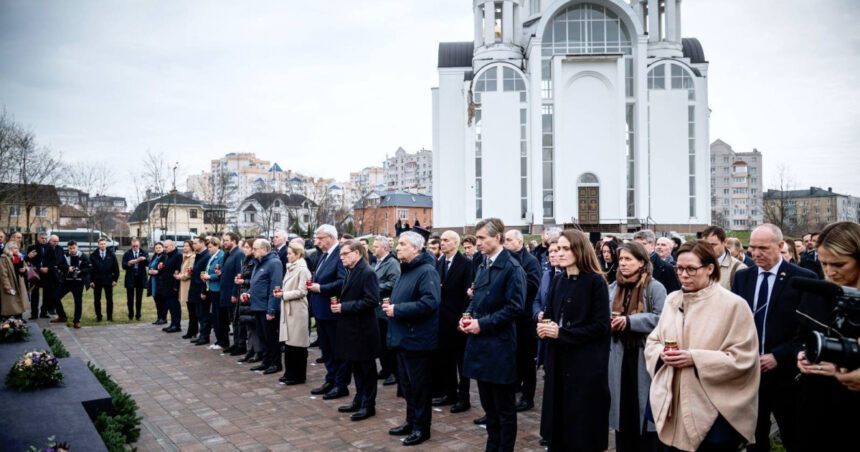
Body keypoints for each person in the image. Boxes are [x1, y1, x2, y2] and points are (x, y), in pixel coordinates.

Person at [645, 239, 759, 451]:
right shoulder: (672, 300)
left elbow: (744, 358)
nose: (683, 275)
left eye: (691, 269)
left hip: (714, 409)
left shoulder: (733, 305)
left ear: (710, 268)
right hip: (673, 402)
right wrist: (662, 353)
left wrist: (695, 358)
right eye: (679, 268)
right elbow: (653, 341)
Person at [731, 224, 817, 452]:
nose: (755, 253)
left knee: (794, 437)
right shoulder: (743, 278)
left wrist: (779, 356)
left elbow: (807, 330)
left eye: (763, 248)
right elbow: (734, 322)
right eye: (752, 248)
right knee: (754, 438)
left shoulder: (803, 278)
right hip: (749, 373)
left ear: (780, 246)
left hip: (787, 375)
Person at [536, 229, 608, 452]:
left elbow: (601, 326)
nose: (560, 253)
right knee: (558, 421)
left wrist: (562, 333)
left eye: (566, 248)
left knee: (580, 427)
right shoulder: (558, 280)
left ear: (580, 250)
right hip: (558, 360)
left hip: (584, 364)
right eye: (558, 248)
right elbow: (550, 314)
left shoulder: (595, 282)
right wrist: (544, 327)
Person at [459, 218, 525, 452]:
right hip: (481, 345)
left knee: (504, 409)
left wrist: (482, 324)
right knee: (488, 406)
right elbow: (476, 298)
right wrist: (466, 316)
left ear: (497, 237)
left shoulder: (512, 268)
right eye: (476, 238)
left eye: (481, 238)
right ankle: (492, 446)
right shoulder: (483, 264)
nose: (477, 243)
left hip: (499, 346)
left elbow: (515, 307)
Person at [794, 221, 860, 450]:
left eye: (839, 264)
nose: (830, 272)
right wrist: (802, 355)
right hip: (815, 405)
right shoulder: (817, 293)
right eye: (824, 263)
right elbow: (800, 337)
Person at [382, 230, 440, 446]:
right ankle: (411, 421)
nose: (397, 248)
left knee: (419, 388)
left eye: (402, 244)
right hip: (403, 338)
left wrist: (397, 309)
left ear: (416, 248)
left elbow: (430, 302)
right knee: (407, 386)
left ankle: (421, 428)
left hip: (417, 340)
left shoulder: (426, 271)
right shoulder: (406, 270)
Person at [608, 242, 666, 452]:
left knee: (644, 407)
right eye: (621, 259)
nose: (623, 263)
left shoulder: (654, 287)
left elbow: (662, 318)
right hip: (618, 355)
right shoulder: (613, 287)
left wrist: (631, 321)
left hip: (643, 355)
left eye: (628, 259)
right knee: (622, 407)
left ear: (641, 262)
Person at [329, 239, 380, 421]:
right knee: (356, 368)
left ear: (357, 253)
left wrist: (344, 307)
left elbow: (372, 300)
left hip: (363, 330)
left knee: (366, 370)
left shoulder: (367, 272)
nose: (341, 257)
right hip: (352, 329)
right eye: (341, 254)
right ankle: (359, 399)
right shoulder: (351, 271)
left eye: (345, 254)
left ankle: (368, 405)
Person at [431, 230, 474, 414]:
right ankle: (450, 393)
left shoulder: (466, 264)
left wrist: (464, 317)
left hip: (458, 319)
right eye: (441, 240)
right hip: (442, 320)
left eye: (446, 240)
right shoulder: (439, 262)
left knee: (461, 361)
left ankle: (464, 398)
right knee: (445, 359)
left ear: (456, 243)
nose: (442, 243)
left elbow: (468, 293)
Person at [307, 225, 349, 399]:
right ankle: (330, 379)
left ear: (331, 237)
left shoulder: (340, 255)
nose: (316, 242)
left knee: (336, 349)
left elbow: (343, 281)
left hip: (332, 311)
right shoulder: (324, 255)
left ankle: (341, 384)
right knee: (326, 350)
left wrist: (321, 288)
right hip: (321, 310)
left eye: (320, 238)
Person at [502, 229, 541, 413]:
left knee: (526, 359)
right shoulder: (505, 260)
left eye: (509, 240)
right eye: (505, 240)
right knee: (513, 356)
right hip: (510, 316)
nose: (506, 243)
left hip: (525, 317)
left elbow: (534, 284)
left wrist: (514, 283)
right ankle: (515, 385)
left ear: (519, 241)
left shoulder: (530, 261)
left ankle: (528, 397)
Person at [277, 242, 311, 385]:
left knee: (297, 344)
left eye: (290, 253)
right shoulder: (291, 267)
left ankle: (298, 375)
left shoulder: (302, 270)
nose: (287, 256)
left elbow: (302, 291)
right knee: (289, 343)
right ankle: (289, 373)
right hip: (289, 308)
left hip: (297, 310)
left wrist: (284, 294)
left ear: (298, 254)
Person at [248, 239, 283, 374]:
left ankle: (276, 363)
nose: (253, 251)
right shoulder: (258, 262)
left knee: (271, 337)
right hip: (257, 306)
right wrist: (249, 293)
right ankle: (266, 361)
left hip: (266, 307)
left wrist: (271, 309)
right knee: (262, 336)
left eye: (255, 249)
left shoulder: (274, 263)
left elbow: (275, 286)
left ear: (264, 249)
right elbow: (257, 283)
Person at [372, 234, 400, 386]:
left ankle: (393, 372)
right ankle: (385, 368)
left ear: (384, 248)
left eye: (376, 247)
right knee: (380, 342)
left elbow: (395, 282)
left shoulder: (392, 263)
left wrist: (376, 287)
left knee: (388, 342)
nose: (373, 249)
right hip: (377, 309)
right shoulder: (377, 262)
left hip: (386, 308)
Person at [52, 241, 91, 329]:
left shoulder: (83, 256)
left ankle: (76, 321)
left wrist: (81, 271)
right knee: (55, 297)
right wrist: (67, 268)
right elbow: (58, 265)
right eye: (70, 248)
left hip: (78, 282)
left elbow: (89, 268)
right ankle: (62, 316)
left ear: (77, 247)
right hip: (66, 282)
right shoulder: (64, 255)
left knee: (78, 302)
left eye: (73, 248)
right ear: (68, 248)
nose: (72, 250)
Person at [235, 239, 263, 363]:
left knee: (254, 325)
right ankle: (250, 350)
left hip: (251, 295)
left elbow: (256, 280)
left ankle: (258, 351)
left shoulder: (255, 262)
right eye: (244, 247)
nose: (244, 249)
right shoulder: (246, 260)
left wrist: (244, 281)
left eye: (247, 247)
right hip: (244, 295)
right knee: (248, 326)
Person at [633, 230, 681, 294]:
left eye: (643, 244)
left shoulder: (667, 268)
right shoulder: (630, 265)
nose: (639, 247)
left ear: (652, 245)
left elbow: (674, 294)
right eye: (636, 245)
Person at [218, 232, 243, 354]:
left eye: (226, 240)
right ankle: (236, 343)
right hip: (226, 292)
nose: (224, 243)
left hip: (233, 293)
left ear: (234, 241)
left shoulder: (239, 254)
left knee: (237, 320)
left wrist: (234, 293)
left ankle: (240, 345)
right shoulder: (228, 254)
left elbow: (238, 274)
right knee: (233, 320)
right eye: (224, 240)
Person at [701, 225, 747, 290]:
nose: (708, 249)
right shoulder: (697, 265)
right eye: (705, 246)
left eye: (713, 245)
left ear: (725, 242)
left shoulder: (739, 269)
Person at [200, 237, 225, 350]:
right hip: (211, 288)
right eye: (208, 247)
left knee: (219, 316)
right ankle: (218, 339)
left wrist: (209, 276)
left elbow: (221, 273)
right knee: (214, 315)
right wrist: (205, 276)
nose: (209, 249)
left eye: (210, 247)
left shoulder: (221, 256)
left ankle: (222, 340)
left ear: (217, 245)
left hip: (218, 289)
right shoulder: (212, 256)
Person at [89, 237, 119, 322]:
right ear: (98, 245)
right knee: (97, 300)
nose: (103, 245)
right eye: (101, 244)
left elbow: (116, 269)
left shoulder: (111, 255)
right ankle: (99, 317)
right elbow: (90, 270)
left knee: (109, 300)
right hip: (97, 281)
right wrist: (91, 281)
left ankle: (110, 317)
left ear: (106, 244)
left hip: (108, 280)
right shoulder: (93, 255)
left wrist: (115, 280)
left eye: (104, 244)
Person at [188, 237, 211, 345]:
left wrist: (204, 291)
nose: (193, 245)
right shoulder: (199, 255)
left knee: (204, 314)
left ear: (202, 243)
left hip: (201, 289)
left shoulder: (206, 256)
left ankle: (205, 336)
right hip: (195, 289)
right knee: (199, 314)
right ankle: (201, 335)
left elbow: (205, 275)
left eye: (195, 243)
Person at [158, 240, 182, 333]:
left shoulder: (178, 255)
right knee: (170, 305)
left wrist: (176, 286)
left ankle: (177, 325)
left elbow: (177, 270)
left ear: (172, 246)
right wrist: (161, 268)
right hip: (166, 285)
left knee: (174, 306)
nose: (164, 249)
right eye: (164, 247)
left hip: (173, 285)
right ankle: (172, 324)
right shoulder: (168, 255)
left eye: (166, 247)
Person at [122, 238, 149, 321]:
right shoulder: (127, 253)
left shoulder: (144, 253)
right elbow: (123, 265)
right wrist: (129, 263)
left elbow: (148, 263)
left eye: (136, 246)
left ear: (139, 245)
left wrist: (144, 259)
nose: (135, 247)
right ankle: (130, 315)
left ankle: (138, 315)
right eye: (133, 246)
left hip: (140, 278)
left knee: (139, 298)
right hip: (130, 277)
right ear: (131, 245)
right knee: (130, 299)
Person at [0, 241, 29, 319]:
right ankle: (7, 322)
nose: (17, 250)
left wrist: (24, 269)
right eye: (15, 248)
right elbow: (3, 274)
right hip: (11, 283)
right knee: (10, 304)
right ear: (9, 248)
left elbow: (26, 267)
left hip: (19, 282)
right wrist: (7, 287)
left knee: (19, 303)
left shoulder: (19, 257)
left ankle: (19, 321)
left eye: (17, 248)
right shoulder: (4, 258)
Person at [175, 241, 196, 337]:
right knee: (190, 309)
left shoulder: (192, 257)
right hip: (185, 285)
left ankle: (192, 331)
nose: (184, 247)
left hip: (189, 285)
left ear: (191, 247)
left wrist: (181, 276)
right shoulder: (185, 257)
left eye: (187, 246)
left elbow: (189, 272)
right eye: (184, 246)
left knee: (192, 310)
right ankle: (192, 331)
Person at [146, 242, 166, 324]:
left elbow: (165, 269)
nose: (158, 249)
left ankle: (163, 318)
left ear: (163, 248)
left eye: (159, 247)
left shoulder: (165, 257)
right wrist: (149, 271)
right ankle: (159, 318)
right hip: (153, 281)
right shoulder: (155, 256)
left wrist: (157, 272)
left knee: (162, 301)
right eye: (156, 248)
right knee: (157, 300)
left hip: (161, 282)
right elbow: (150, 266)